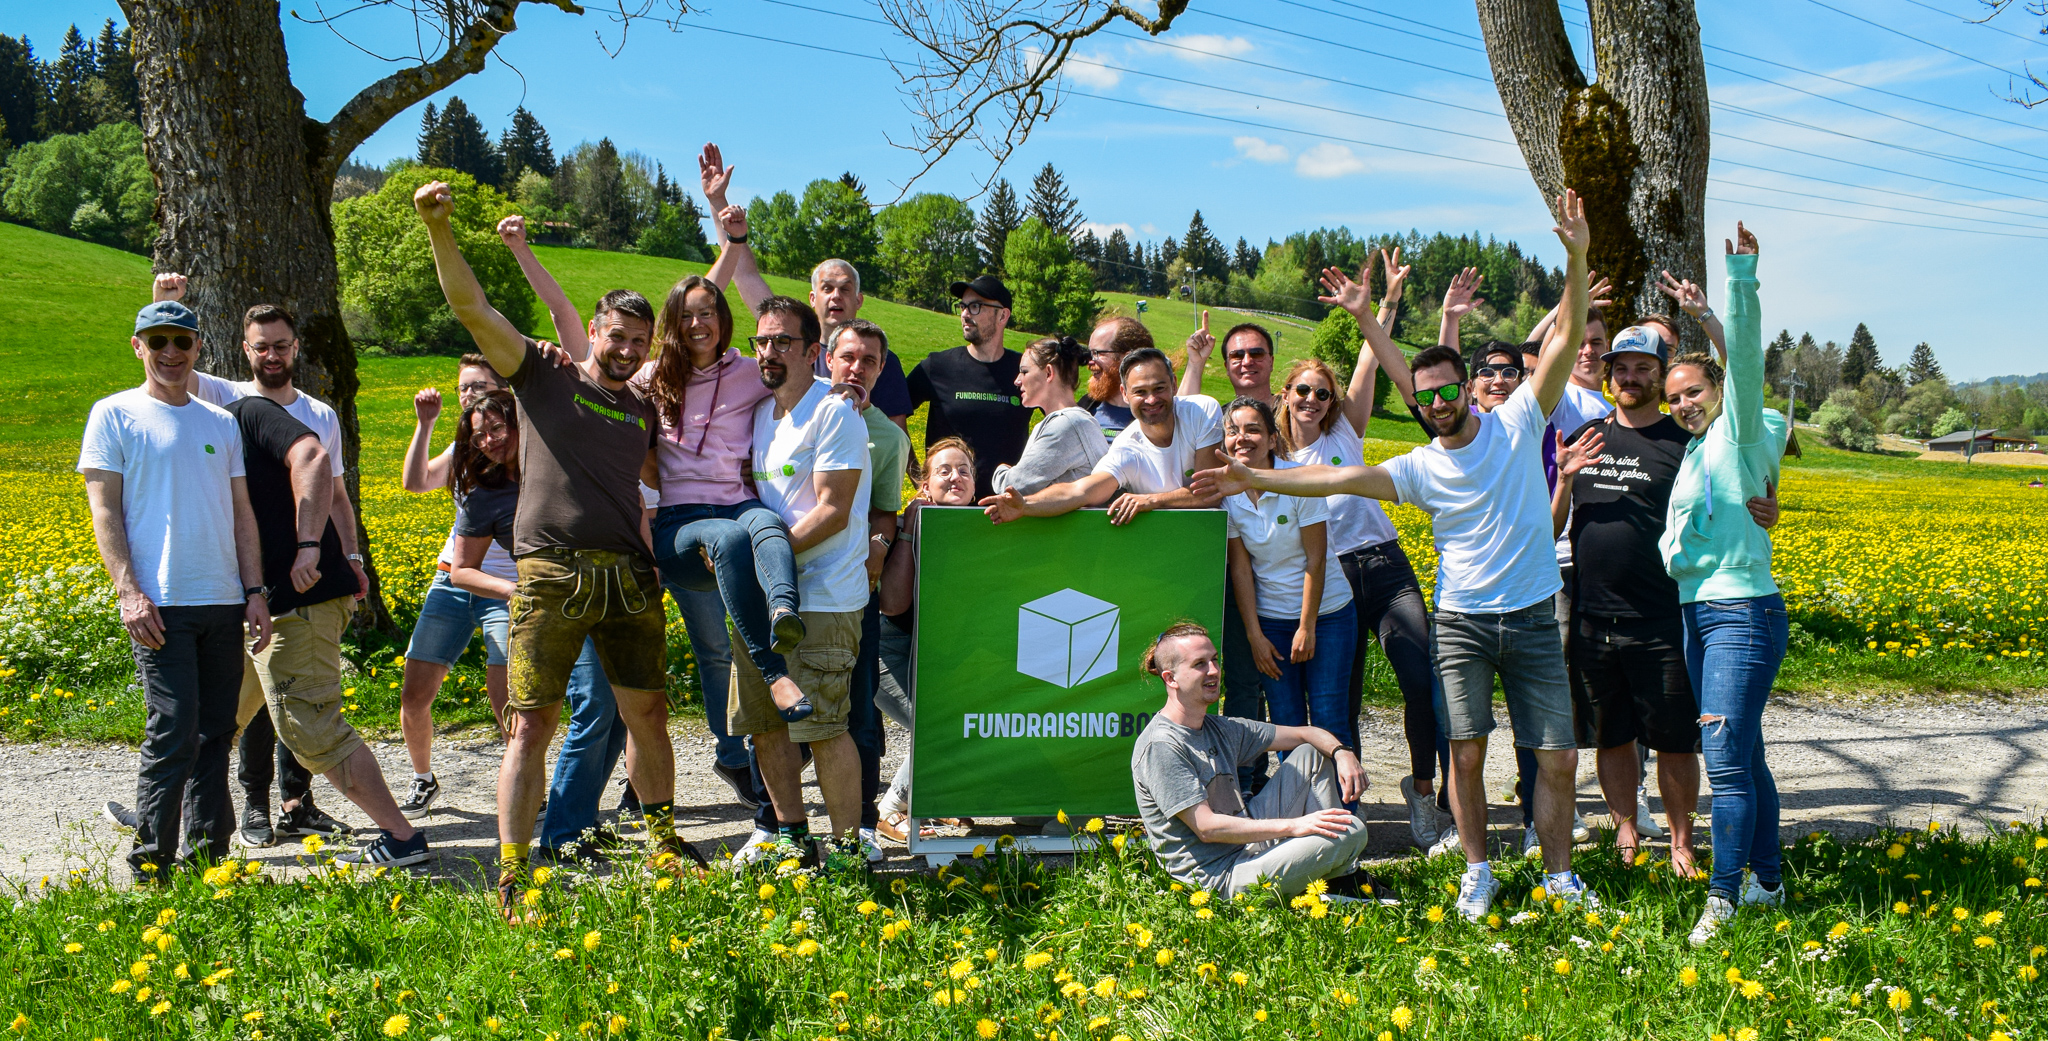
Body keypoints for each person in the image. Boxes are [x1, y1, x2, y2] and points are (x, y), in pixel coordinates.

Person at [1197, 188, 1599, 921]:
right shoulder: (1417, 466)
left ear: (1469, 394)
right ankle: (1477, 869)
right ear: (1421, 403)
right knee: (1468, 752)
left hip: (1535, 617)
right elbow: (1333, 475)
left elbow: (1567, 339)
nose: (1442, 400)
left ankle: (1561, 875)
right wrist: (1254, 474)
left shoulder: (1516, 420)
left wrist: (1575, 257)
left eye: (1451, 389)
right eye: (1430, 394)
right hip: (1464, 619)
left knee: (1561, 756)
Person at [416, 179, 701, 912]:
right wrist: (437, 227)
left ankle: (663, 845)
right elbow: (472, 310)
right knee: (532, 723)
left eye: (640, 342)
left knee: (649, 714)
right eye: (617, 336)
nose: (627, 349)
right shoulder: (543, 373)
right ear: (594, 331)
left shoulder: (642, 402)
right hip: (550, 574)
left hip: (628, 578)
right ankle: (514, 870)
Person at [81, 300, 273, 882]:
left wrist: (255, 591)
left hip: (221, 600)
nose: (171, 352)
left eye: (182, 342)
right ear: (138, 345)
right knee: (174, 728)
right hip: (159, 604)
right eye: (158, 340)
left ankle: (208, 860)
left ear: (197, 349)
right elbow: (104, 511)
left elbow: (243, 515)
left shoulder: (220, 422)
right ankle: (151, 862)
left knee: (218, 728)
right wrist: (128, 592)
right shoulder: (114, 415)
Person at [225, 391, 431, 866]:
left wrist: (311, 547)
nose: (170, 356)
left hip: (301, 600)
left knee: (310, 728)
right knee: (214, 719)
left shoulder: (246, 411)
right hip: (256, 603)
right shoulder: (196, 429)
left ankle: (401, 838)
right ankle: (165, 820)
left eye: (181, 345)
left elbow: (316, 460)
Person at [1286, 250, 1447, 849]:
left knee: (1421, 676)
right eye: (1303, 391)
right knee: (1341, 696)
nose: (1314, 400)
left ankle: (1425, 795)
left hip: (1385, 565)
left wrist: (1384, 304)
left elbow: (1368, 361)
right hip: (1329, 579)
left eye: (1322, 393)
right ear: (1287, 394)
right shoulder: (1276, 460)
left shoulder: (1344, 430)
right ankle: (1345, 813)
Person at [1672, 223, 1793, 946]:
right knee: (1745, 753)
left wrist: (1738, 281)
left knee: (1723, 757)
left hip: (1742, 609)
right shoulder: (1692, 454)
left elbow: (1746, 362)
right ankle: (1768, 882)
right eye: (1675, 395)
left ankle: (1723, 897)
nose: (1685, 402)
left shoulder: (1742, 430)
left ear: (1718, 387)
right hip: (1698, 611)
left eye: (1695, 391)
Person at [1549, 326, 1707, 877]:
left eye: (1644, 368)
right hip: (1592, 615)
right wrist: (1565, 481)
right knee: (1610, 735)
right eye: (1622, 368)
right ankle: (1626, 832)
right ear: (1609, 373)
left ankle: (1683, 841)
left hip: (1661, 614)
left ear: (1661, 375)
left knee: (1674, 740)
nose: (1630, 378)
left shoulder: (1682, 442)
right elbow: (1550, 531)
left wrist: (1767, 507)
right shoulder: (1587, 435)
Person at [728, 296, 873, 870]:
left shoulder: (834, 413)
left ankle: (846, 850)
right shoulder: (762, 415)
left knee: (824, 727)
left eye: (783, 342)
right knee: (765, 726)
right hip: (762, 600)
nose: (769, 352)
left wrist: (763, 559)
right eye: (761, 341)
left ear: (813, 352)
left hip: (823, 598)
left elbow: (834, 510)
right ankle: (792, 837)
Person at [1130, 623, 1373, 899]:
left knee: (1312, 753)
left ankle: (1337, 879)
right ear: (1170, 678)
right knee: (1350, 830)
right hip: (1219, 880)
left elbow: (1305, 734)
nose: (1213, 671)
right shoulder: (1161, 746)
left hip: (1247, 847)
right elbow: (1207, 828)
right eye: (1199, 664)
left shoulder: (1219, 728)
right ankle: (1333, 882)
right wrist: (1296, 826)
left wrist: (1343, 752)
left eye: (1214, 660)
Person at [694, 145, 915, 434]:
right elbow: (744, 273)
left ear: (859, 300)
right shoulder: (788, 339)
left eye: (845, 290)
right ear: (813, 298)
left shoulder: (875, 358)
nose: (836, 296)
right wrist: (717, 200)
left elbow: (895, 436)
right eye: (827, 288)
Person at [394, 353, 513, 817]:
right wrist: (425, 424)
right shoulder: (465, 447)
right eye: (464, 387)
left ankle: (520, 779)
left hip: (504, 586)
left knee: (505, 694)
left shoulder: (519, 449)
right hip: (451, 580)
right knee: (415, 691)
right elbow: (415, 482)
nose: (469, 395)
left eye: (479, 386)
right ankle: (424, 780)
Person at [1221, 397, 1360, 794]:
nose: (1241, 439)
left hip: (1327, 614)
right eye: (1233, 431)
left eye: (1251, 430)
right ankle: (1301, 817)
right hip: (1271, 622)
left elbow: (1315, 559)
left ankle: (1343, 819)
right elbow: (1241, 568)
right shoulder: (1229, 489)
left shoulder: (1299, 480)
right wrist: (1254, 635)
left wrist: (1307, 626)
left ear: (1270, 438)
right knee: (1286, 725)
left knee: (1330, 716)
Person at [823, 317, 912, 862]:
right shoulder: (792, 412)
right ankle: (775, 823)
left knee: (858, 714)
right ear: (828, 358)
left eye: (870, 362)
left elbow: (884, 511)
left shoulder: (888, 435)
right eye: (848, 357)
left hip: (851, 590)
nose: (857, 369)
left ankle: (856, 828)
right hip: (785, 581)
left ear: (881, 371)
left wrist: (877, 549)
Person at [980, 347, 1222, 526]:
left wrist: (1151, 500)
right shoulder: (1126, 447)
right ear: (1125, 394)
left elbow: (1209, 494)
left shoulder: (1202, 411)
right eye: (1140, 392)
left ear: (1174, 384)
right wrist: (1025, 506)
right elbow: (1079, 492)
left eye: (1159, 388)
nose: (1151, 400)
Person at [874, 438, 978, 838]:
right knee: (941, 724)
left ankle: (935, 800)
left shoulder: (982, 525)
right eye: (944, 471)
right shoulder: (910, 524)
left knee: (968, 719)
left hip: (944, 657)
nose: (956, 477)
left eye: (964, 470)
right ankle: (890, 807)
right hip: (891, 655)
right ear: (925, 486)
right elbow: (892, 605)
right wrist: (908, 534)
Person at [909, 273, 1031, 500]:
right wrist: (918, 476)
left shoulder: (1025, 369)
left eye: (975, 306)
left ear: (1003, 315)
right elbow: (890, 414)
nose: (965, 314)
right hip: (946, 510)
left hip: (1006, 512)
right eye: (963, 306)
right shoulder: (938, 367)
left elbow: (1060, 417)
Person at [992, 336, 1107, 494]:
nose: (1017, 381)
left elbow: (1011, 487)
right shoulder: (1072, 421)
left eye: (1024, 371)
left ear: (1048, 373)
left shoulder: (1067, 424)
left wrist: (1001, 470)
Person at [1179, 314, 1277, 410]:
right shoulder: (1218, 419)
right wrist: (1195, 363)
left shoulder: (1288, 410)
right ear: (1227, 367)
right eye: (1237, 355)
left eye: (1256, 353)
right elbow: (1182, 417)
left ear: (1271, 362)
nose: (1247, 362)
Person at [1078, 316, 1151, 439]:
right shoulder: (1086, 406)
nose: (1089, 362)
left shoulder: (1154, 412)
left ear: (1127, 359)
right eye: (1090, 353)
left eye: (1097, 353)